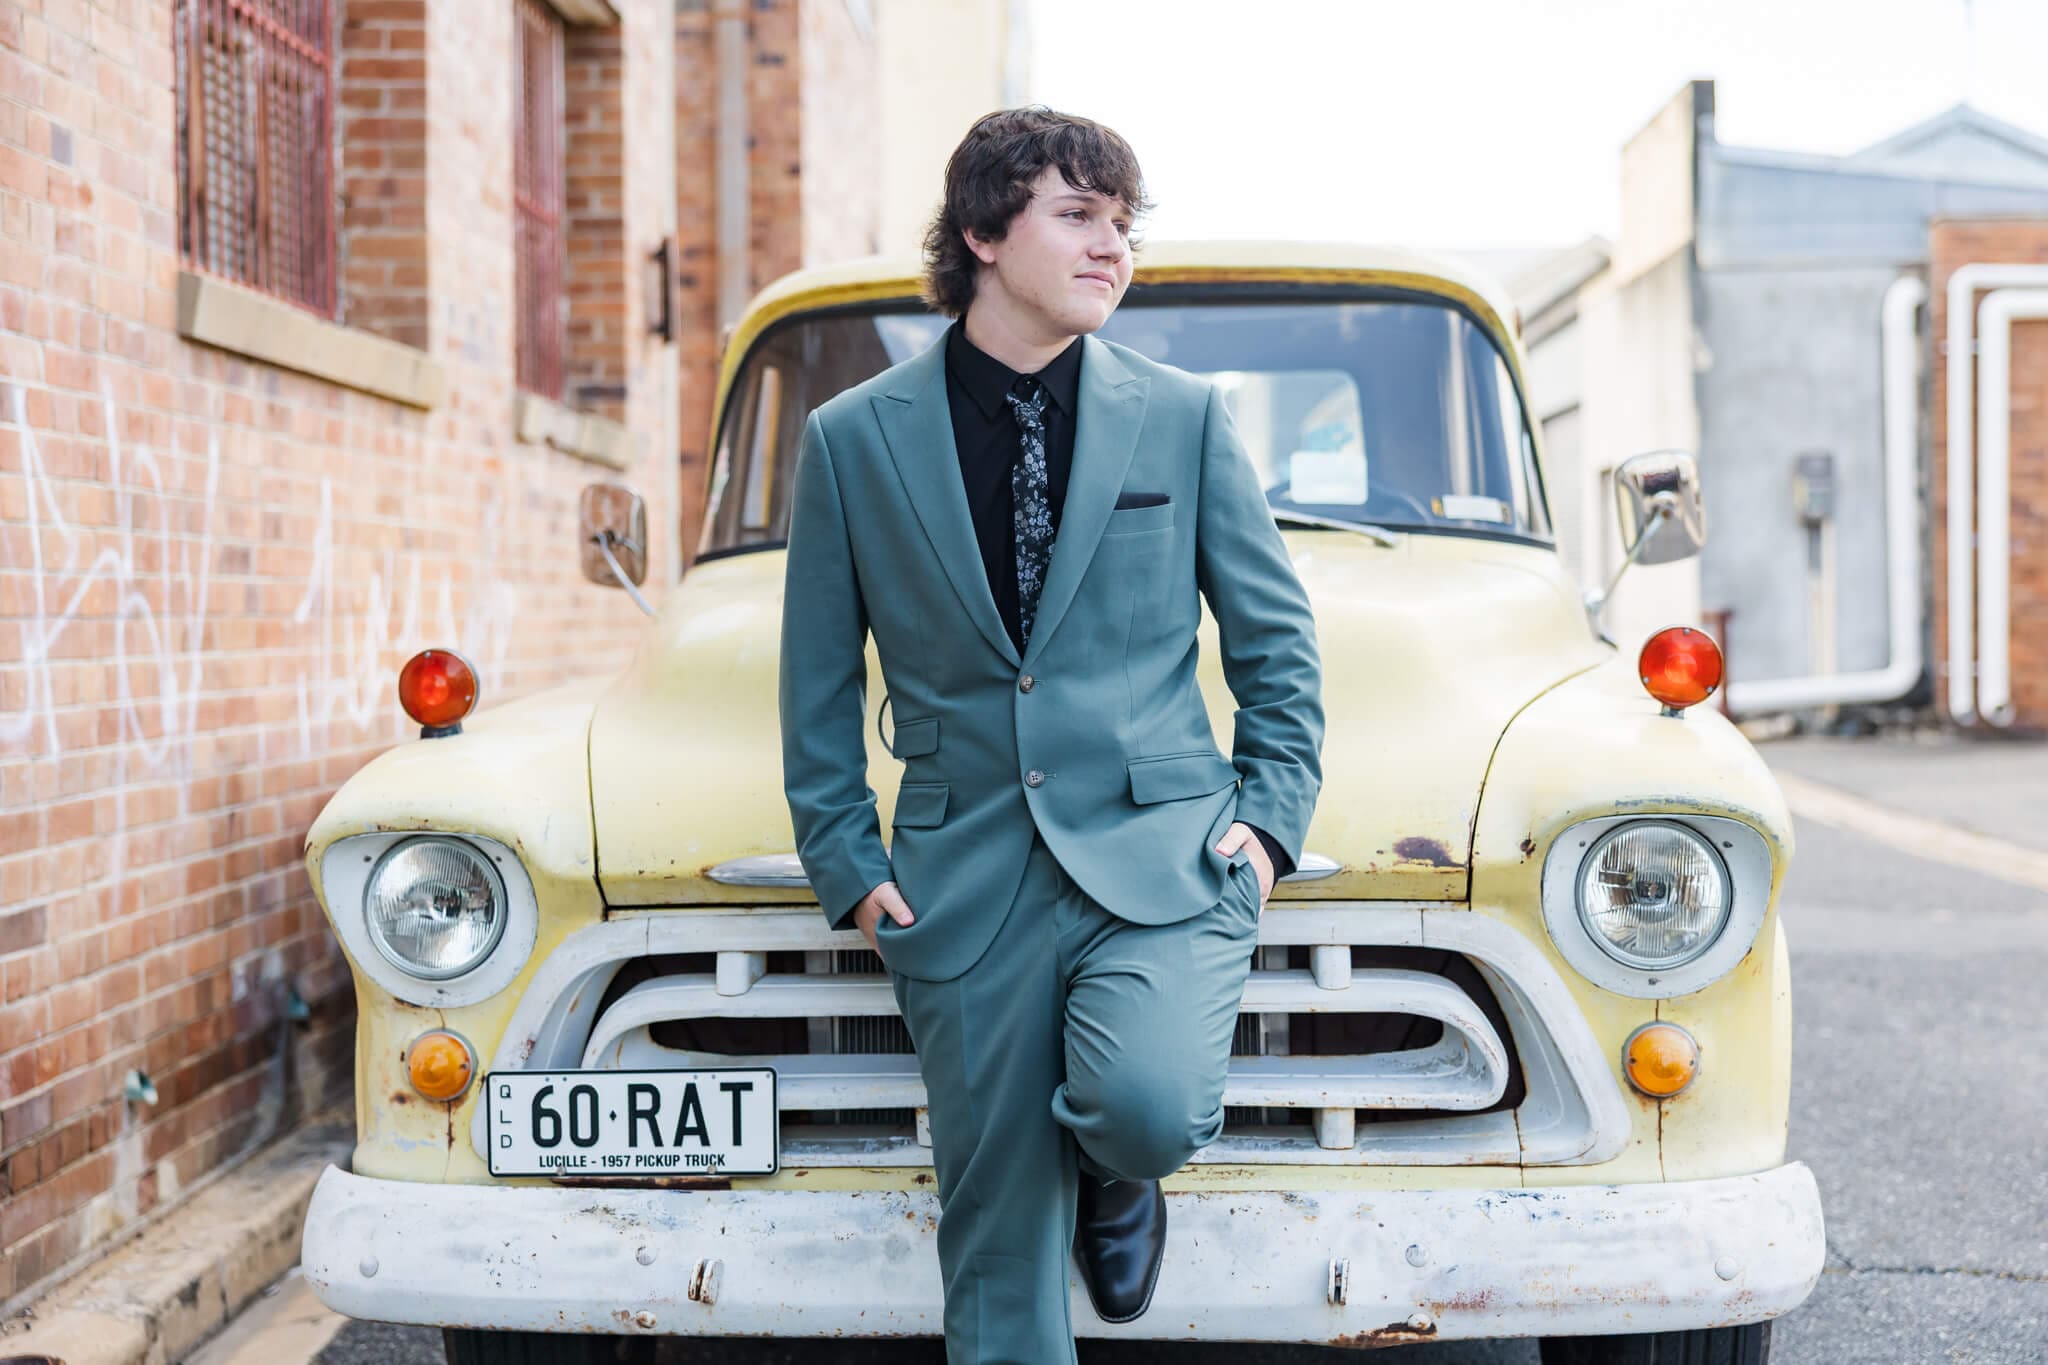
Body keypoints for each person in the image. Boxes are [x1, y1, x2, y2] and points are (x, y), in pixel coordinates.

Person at [777, 105, 1324, 1362]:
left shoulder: (1180, 418)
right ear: (981, 230)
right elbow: (813, 686)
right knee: (994, 1231)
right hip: (958, 868)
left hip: (1164, 854)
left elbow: (1274, 641)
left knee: (1145, 1110)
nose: (1109, 249)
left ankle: (1117, 1172)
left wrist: (1268, 822)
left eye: (1122, 226)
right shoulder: (852, 441)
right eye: (1077, 216)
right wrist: (851, 870)